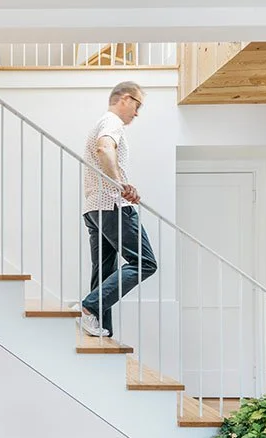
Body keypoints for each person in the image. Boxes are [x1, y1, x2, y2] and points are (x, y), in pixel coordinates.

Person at [77, 81, 157, 337]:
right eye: (137, 105)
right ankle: (89, 307)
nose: (137, 113)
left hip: (94, 208)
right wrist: (119, 183)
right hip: (112, 205)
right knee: (145, 263)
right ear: (124, 98)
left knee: (104, 270)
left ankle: (98, 326)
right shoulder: (112, 122)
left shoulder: (102, 122)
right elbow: (104, 147)